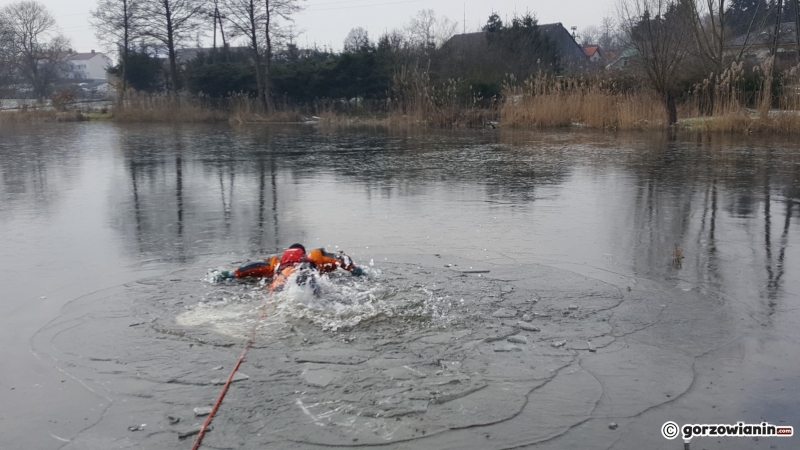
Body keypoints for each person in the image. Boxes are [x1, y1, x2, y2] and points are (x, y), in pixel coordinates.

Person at [215, 244, 364, 291]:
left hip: (284, 276)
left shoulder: (275, 263)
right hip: (306, 274)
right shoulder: (316, 258)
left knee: (277, 290)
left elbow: (248, 267)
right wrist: (354, 270)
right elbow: (341, 258)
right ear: (303, 253)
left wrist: (230, 274)